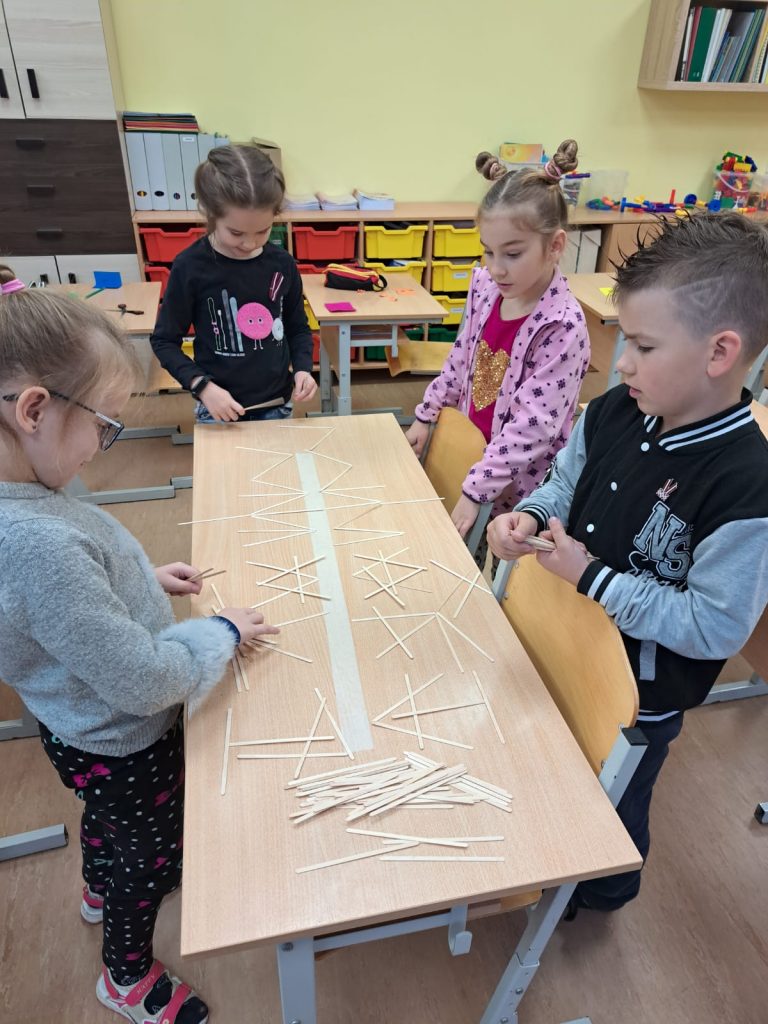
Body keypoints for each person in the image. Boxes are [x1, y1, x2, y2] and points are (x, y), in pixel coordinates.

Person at [0, 267, 278, 1022]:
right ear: (33, 410)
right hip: (123, 740)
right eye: (104, 424)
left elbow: (55, 611)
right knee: (148, 863)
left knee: (108, 823)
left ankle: (99, 883)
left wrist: (136, 581)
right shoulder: (35, 543)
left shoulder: (26, 502)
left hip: (77, 732)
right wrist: (220, 633)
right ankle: (125, 974)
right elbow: (143, 681)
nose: (105, 444)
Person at [488, 213, 768, 913]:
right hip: (567, 636)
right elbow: (564, 480)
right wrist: (531, 517)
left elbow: (714, 628)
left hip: (638, 697)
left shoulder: (747, 485)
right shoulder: (617, 408)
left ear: (719, 352)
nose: (621, 363)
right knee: (556, 768)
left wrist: (592, 578)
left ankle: (604, 887)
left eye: (643, 345)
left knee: (613, 804)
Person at [405, 139, 590, 566]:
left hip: (523, 486)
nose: (496, 267)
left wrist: (478, 490)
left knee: (503, 571)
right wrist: (427, 413)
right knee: (459, 557)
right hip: (472, 454)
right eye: (488, 251)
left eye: (513, 253)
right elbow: (461, 360)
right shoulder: (487, 289)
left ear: (555, 245)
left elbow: (533, 428)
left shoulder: (562, 326)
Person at [151, 144, 317, 423]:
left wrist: (302, 369)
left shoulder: (282, 264)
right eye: (236, 233)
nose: (250, 243)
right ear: (210, 213)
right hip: (217, 408)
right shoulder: (190, 266)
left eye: (263, 231)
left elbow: (297, 327)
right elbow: (164, 341)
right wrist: (202, 387)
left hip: (276, 404)